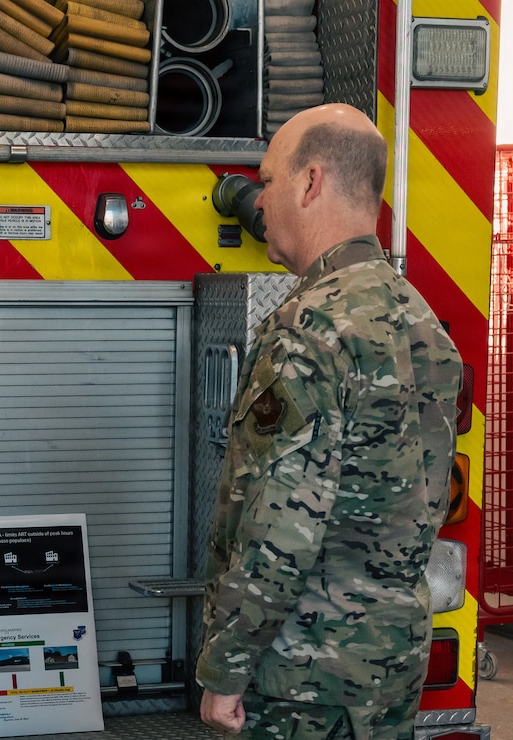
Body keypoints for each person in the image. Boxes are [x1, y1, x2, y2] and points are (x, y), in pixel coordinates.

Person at [197, 104, 463, 739]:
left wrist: (226, 668)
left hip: (303, 679)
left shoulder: (308, 331)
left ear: (310, 182)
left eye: (267, 180)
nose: (259, 201)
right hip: (388, 665)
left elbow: (279, 530)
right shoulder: (420, 319)